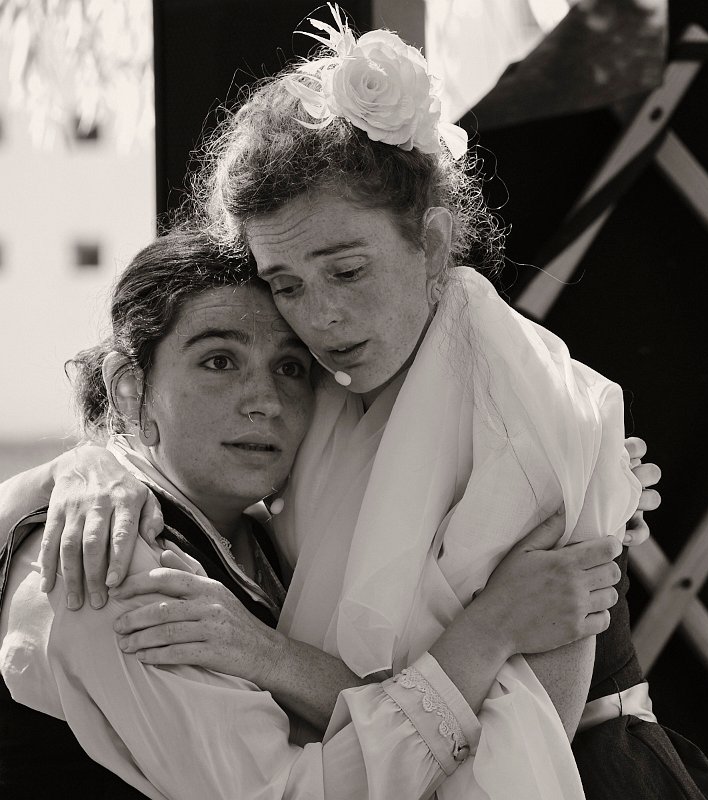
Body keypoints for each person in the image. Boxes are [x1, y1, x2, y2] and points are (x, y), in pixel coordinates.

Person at [13, 8, 708, 798]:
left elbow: (522, 750)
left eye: (348, 271)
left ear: (432, 242)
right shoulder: (327, 393)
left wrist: (268, 652)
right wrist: (88, 471)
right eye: (287, 285)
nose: (320, 317)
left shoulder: (520, 411)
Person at [0, 228, 633, 798]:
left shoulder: (269, 536)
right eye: (219, 361)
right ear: (130, 387)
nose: (265, 401)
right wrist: (490, 632)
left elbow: (358, 709)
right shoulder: (107, 561)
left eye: (290, 368)